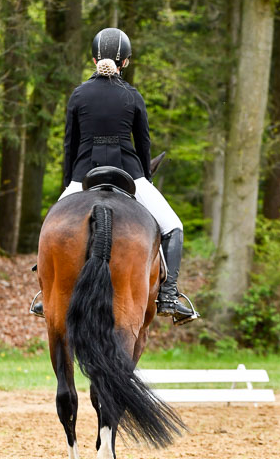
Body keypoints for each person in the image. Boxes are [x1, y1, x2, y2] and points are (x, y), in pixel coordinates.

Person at [31, 27, 197, 325]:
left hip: (83, 173)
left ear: (93, 58)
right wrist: (143, 177)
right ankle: (169, 296)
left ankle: (46, 294)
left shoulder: (79, 94)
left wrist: (70, 182)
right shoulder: (132, 95)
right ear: (126, 63)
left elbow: (69, 144)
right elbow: (143, 144)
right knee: (173, 226)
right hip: (129, 173)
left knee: (51, 227)